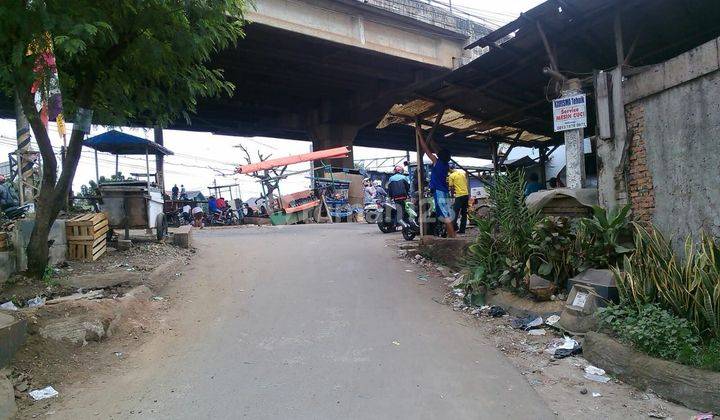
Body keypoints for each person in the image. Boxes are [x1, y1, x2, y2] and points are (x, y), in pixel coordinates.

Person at [417, 134, 456, 238]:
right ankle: (451, 235)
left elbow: (425, 149)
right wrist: (430, 137)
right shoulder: (445, 164)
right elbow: (437, 149)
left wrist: (420, 135)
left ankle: (453, 237)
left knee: (445, 215)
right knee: (447, 213)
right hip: (444, 191)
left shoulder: (436, 161)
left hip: (439, 192)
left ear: (440, 155)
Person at [448, 164, 469, 234]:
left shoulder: (451, 176)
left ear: (450, 169)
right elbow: (465, 184)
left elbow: (451, 187)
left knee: (455, 213)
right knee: (464, 213)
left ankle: (453, 229)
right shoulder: (462, 173)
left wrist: (452, 196)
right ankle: (462, 230)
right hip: (466, 195)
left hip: (459, 196)